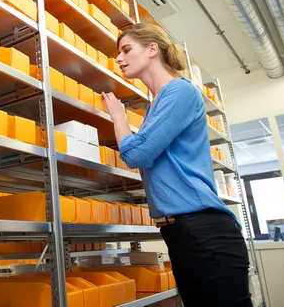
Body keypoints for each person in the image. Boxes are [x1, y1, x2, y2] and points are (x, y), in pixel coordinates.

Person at [102, 23, 252, 307]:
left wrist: (119, 118)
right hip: (179, 231)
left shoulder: (179, 92)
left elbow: (137, 155)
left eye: (126, 49)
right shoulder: (155, 104)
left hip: (204, 229)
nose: (118, 58)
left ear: (151, 50)